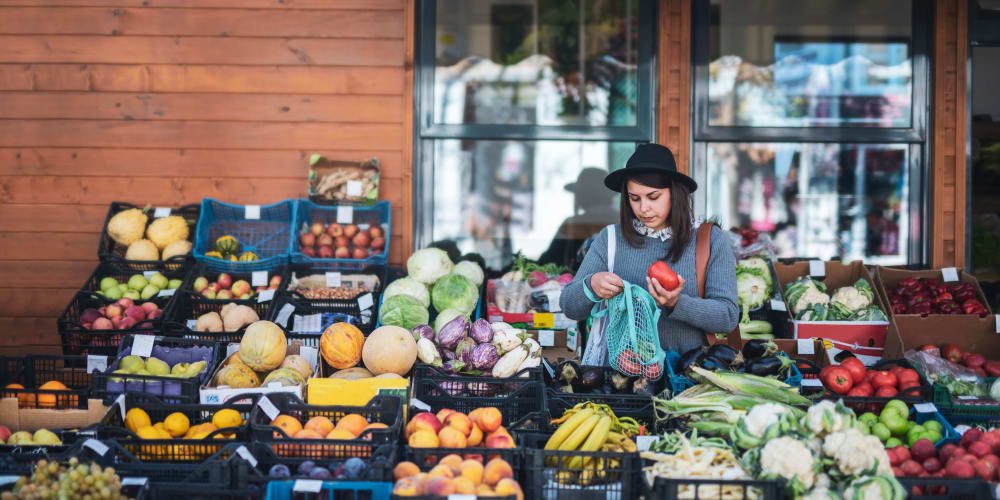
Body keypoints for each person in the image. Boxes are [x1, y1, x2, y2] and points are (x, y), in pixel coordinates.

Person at [559, 143, 739, 354]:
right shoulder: (609, 239)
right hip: (621, 377)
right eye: (635, 199)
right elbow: (569, 306)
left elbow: (727, 317)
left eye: (653, 197)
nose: (643, 208)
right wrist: (591, 285)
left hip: (687, 375)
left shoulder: (709, 240)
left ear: (675, 193)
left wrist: (676, 303)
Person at [538, 167, 619, 272]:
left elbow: (547, 261)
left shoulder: (572, 224)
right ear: (609, 196)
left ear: (581, 197)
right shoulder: (624, 222)